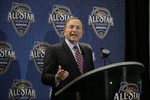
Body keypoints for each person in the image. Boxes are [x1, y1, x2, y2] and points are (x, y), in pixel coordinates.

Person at [41, 17, 95, 100]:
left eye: (78, 28)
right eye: (71, 27)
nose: (74, 30)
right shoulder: (54, 50)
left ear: (82, 32)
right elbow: (45, 78)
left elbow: (91, 76)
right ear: (64, 31)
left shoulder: (88, 51)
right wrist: (57, 77)